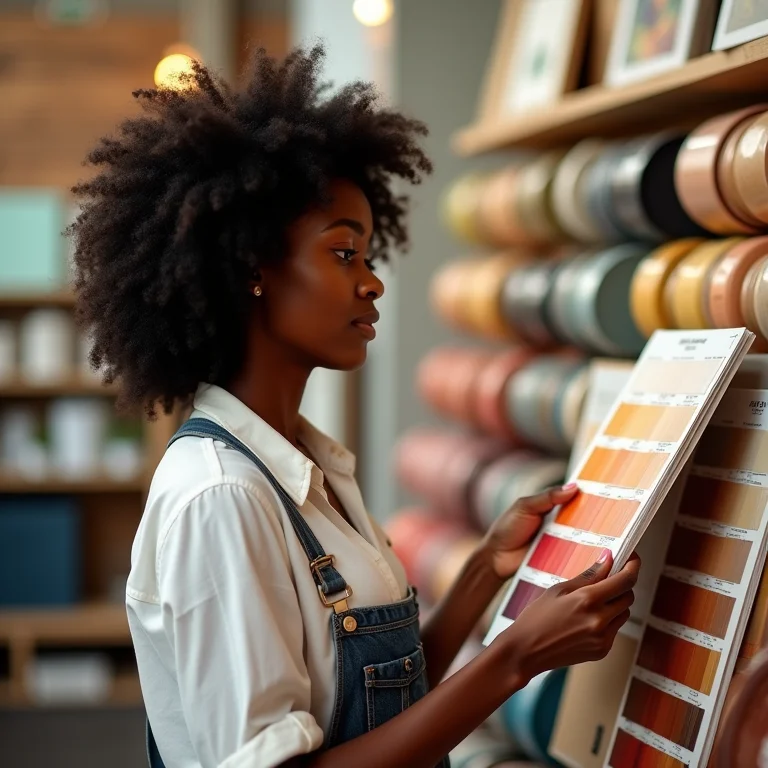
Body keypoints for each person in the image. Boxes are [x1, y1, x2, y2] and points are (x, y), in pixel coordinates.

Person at [68, 45, 639, 768]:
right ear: (252, 268)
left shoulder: (310, 468)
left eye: (371, 257)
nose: (372, 284)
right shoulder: (223, 498)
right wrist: (515, 658)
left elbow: (376, 704)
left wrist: (481, 573)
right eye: (344, 255)